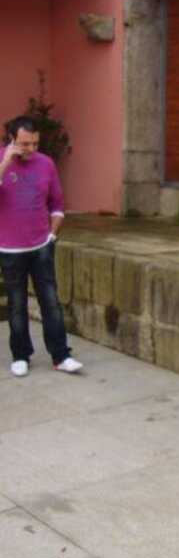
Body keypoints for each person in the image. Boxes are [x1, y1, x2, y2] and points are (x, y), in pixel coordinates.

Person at [0, 116, 82, 376]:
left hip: (41, 246)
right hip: (10, 249)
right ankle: (20, 355)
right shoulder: (2, 160)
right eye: (25, 144)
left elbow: (57, 203)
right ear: (12, 139)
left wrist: (52, 235)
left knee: (50, 301)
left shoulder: (46, 163)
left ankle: (61, 355)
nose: (31, 149)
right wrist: (5, 164)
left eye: (35, 143)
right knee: (16, 304)